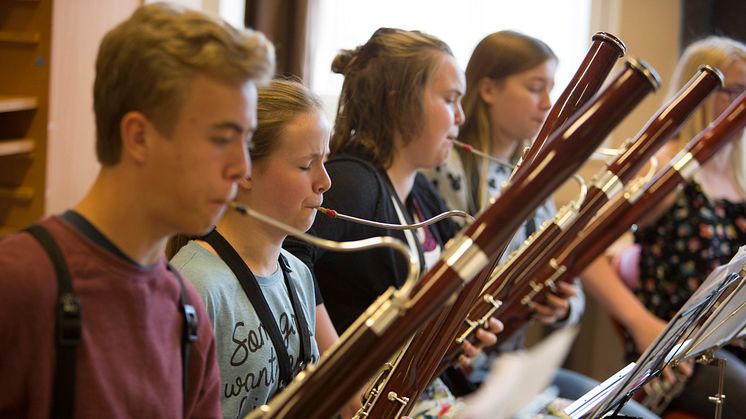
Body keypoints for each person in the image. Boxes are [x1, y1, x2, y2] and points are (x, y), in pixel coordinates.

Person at [0, 3, 274, 418]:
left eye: (247, 140)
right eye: (222, 138)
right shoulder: (20, 285)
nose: (243, 168)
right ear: (139, 136)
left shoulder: (187, 311)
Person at [424, 30, 658, 419]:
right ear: (488, 90)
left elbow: (571, 287)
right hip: (454, 379)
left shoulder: (535, 175)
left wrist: (557, 306)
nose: (549, 104)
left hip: (506, 373)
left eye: (552, 88)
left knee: (632, 413)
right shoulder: (441, 173)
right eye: (536, 88)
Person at [283, 28, 502, 418]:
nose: (461, 117)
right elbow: (289, 255)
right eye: (450, 99)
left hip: (425, 393)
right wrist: (338, 371)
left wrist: (460, 333)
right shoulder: (354, 182)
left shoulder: (421, 193)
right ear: (399, 104)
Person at [596, 35, 746, 418]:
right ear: (698, 91)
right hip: (683, 355)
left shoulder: (741, 173)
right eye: (732, 91)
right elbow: (586, 254)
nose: (741, 104)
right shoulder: (667, 166)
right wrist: (642, 323)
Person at [167, 79, 337, 417]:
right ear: (244, 170)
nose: (325, 181)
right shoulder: (194, 286)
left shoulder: (297, 273)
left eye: (325, 161)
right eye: (306, 165)